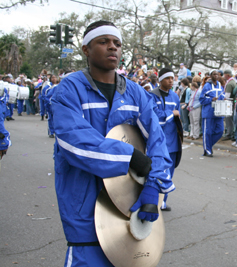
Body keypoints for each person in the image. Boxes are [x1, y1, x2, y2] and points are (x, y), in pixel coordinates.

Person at [51, 20, 174, 266]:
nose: (112, 48)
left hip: (131, 204)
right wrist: (131, 157)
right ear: (86, 49)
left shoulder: (136, 93)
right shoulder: (69, 90)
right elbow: (77, 143)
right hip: (84, 207)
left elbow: (157, 143)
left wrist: (153, 187)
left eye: (117, 43)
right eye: (103, 41)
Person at [150, 68, 180, 211]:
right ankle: (155, 201)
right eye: (168, 78)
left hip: (173, 141)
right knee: (159, 172)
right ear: (160, 80)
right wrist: (171, 113)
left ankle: (163, 201)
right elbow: (154, 116)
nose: (171, 81)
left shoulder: (174, 96)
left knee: (170, 173)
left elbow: (178, 116)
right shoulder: (152, 95)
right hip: (158, 141)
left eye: (172, 78)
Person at [199, 69, 225, 157]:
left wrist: (223, 98)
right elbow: (201, 99)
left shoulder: (220, 85)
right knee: (208, 131)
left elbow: (222, 95)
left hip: (219, 112)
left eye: (217, 74)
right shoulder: (206, 86)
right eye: (214, 74)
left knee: (220, 131)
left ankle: (208, 146)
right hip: (208, 112)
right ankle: (207, 149)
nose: (216, 76)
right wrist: (211, 99)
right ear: (211, 75)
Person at [222, 69, 236, 140]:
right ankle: (231, 133)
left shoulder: (230, 83)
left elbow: (227, 96)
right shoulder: (233, 81)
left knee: (228, 119)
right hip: (232, 103)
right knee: (230, 119)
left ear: (227, 75)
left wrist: (222, 98)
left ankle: (229, 134)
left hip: (229, 103)